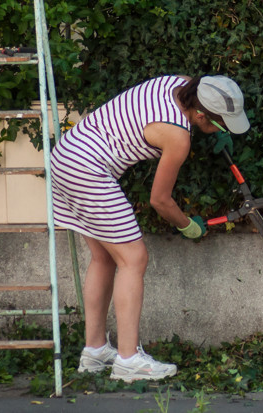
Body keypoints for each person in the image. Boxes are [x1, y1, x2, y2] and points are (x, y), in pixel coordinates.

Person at [49, 74, 249, 381]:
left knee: (104, 258)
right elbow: (160, 200)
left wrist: (211, 130)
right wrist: (188, 226)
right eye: (221, 124)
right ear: (200, 114)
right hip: (87, 170)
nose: (222, 130)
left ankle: (95, 351)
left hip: (66, 156)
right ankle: (128, 360)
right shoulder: (178, 137)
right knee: (134, 259)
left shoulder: (178, 82)